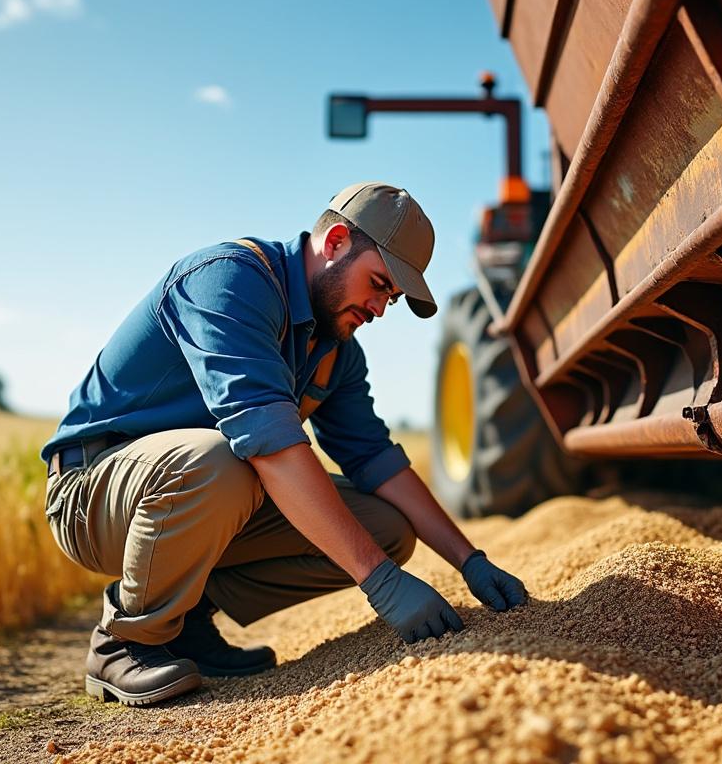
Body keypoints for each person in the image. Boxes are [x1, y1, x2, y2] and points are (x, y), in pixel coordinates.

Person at [41, 182, 528, 706]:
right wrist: (381, 583)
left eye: (391, 297)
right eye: (379, 284)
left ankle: (185, 619)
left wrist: (468, 559)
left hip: (197, 497)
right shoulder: (229, 281)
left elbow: (377, 463)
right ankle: (125, 641)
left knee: (385, 528)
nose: (381, 309)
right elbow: (269, 446)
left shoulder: (336, 350)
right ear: (336, 241)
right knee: (225, 460)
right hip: (95, 495)